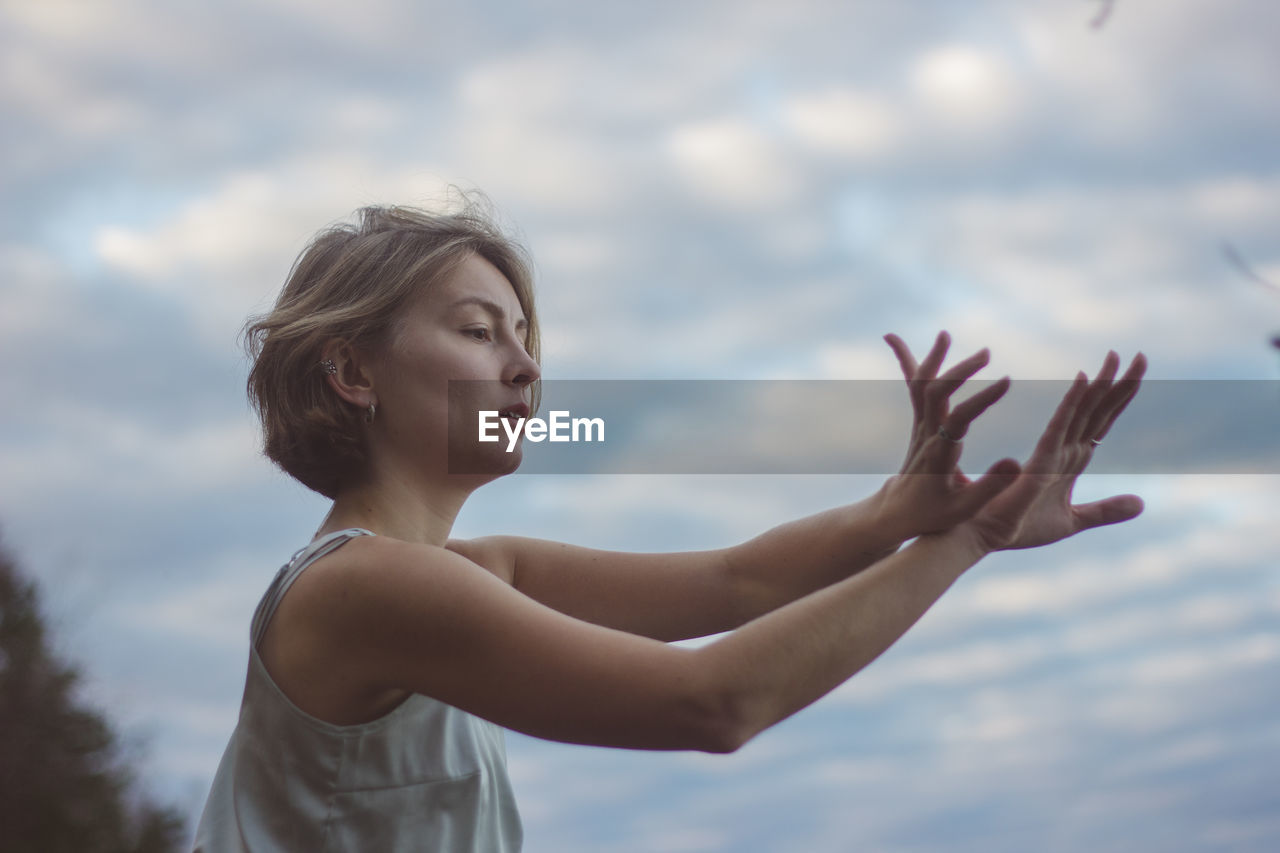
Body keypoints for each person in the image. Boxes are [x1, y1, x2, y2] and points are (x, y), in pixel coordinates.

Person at [194, 201, 1148, 852]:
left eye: (528, 339)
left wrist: (899, 512)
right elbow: (710, 702)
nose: (526, 369)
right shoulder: (367, 586)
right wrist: (964, 542)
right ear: (352, 373)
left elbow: (739, 583)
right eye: (482, 332)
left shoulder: (467, 569)